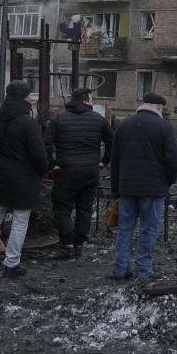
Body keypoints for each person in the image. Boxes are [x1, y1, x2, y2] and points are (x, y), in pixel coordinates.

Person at [0, 80, 48, 278]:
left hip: (3, 176)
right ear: (23, 97)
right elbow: (38, 154)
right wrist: (42, 170)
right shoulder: (27, 122)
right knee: (20, 221)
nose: (31, 98)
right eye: (29, 95)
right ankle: (11, 263)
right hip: (24, 178)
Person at [110, 92, 177, 281]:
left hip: (127, 188)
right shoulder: (164, 127)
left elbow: (114, 159)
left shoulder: (124, 125)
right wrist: (169, 181)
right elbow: (173, 160)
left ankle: (120, 270)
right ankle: (143, 272)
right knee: (148, 230)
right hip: (153, 189)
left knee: (125, 229)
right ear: (158, 108)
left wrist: (115, 189)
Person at [45, 86, 114, 259]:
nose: (93, 102)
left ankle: (66, 245)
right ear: (85, 100)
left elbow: (45, 143)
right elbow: (113, 141)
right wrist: (103, 161)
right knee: (84, 209)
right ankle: (79, 245)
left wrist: (52, 164)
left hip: (66, 171)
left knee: (62, 208)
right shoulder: (98, 119)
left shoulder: (59, 119)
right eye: (91, 99)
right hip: (90, 171)